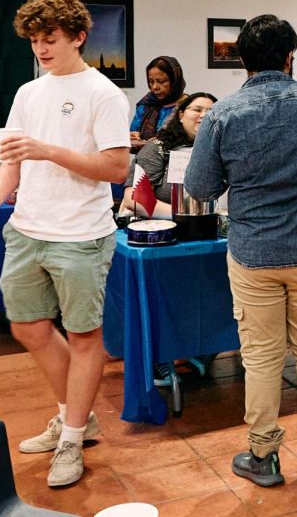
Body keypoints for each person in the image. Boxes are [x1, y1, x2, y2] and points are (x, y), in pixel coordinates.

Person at [185, 15, 297, 486]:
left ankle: (264, 456)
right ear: (290, 57)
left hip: (253, 251)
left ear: (241, 60)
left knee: (261, 356)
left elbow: (200, 184)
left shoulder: (222, 114)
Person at [0, 0, 130, 488]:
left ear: (78, 37)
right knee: (28, 328)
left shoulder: (104, 93)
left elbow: (117, 168)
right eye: (35, 40)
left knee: (84, 337)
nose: (41, 48)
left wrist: (49, 150)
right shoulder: (27, 93)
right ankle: (75, 417)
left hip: (81, 234)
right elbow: (13, 162)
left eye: (50, 39)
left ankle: (72, 436)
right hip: (26, 229)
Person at [120, 90, 219, 385]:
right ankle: (161, 358)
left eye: (210, 112)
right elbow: (132, 198)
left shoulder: (219, 148)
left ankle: (204, 349)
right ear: (180, 114)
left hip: (208, 236)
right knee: (166, 298)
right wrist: (182, 215)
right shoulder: (158, 148)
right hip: (162, 238)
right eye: (196, 109)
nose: (203, 116)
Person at [129, 55, 186, 150]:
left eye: (161, 81)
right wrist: (133, 137)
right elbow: (132, 136)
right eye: (151, 82)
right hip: (144, 162)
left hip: (176, 162)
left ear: (175, 80)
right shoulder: (146, 104)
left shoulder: (187, 106)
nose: (155, 87)